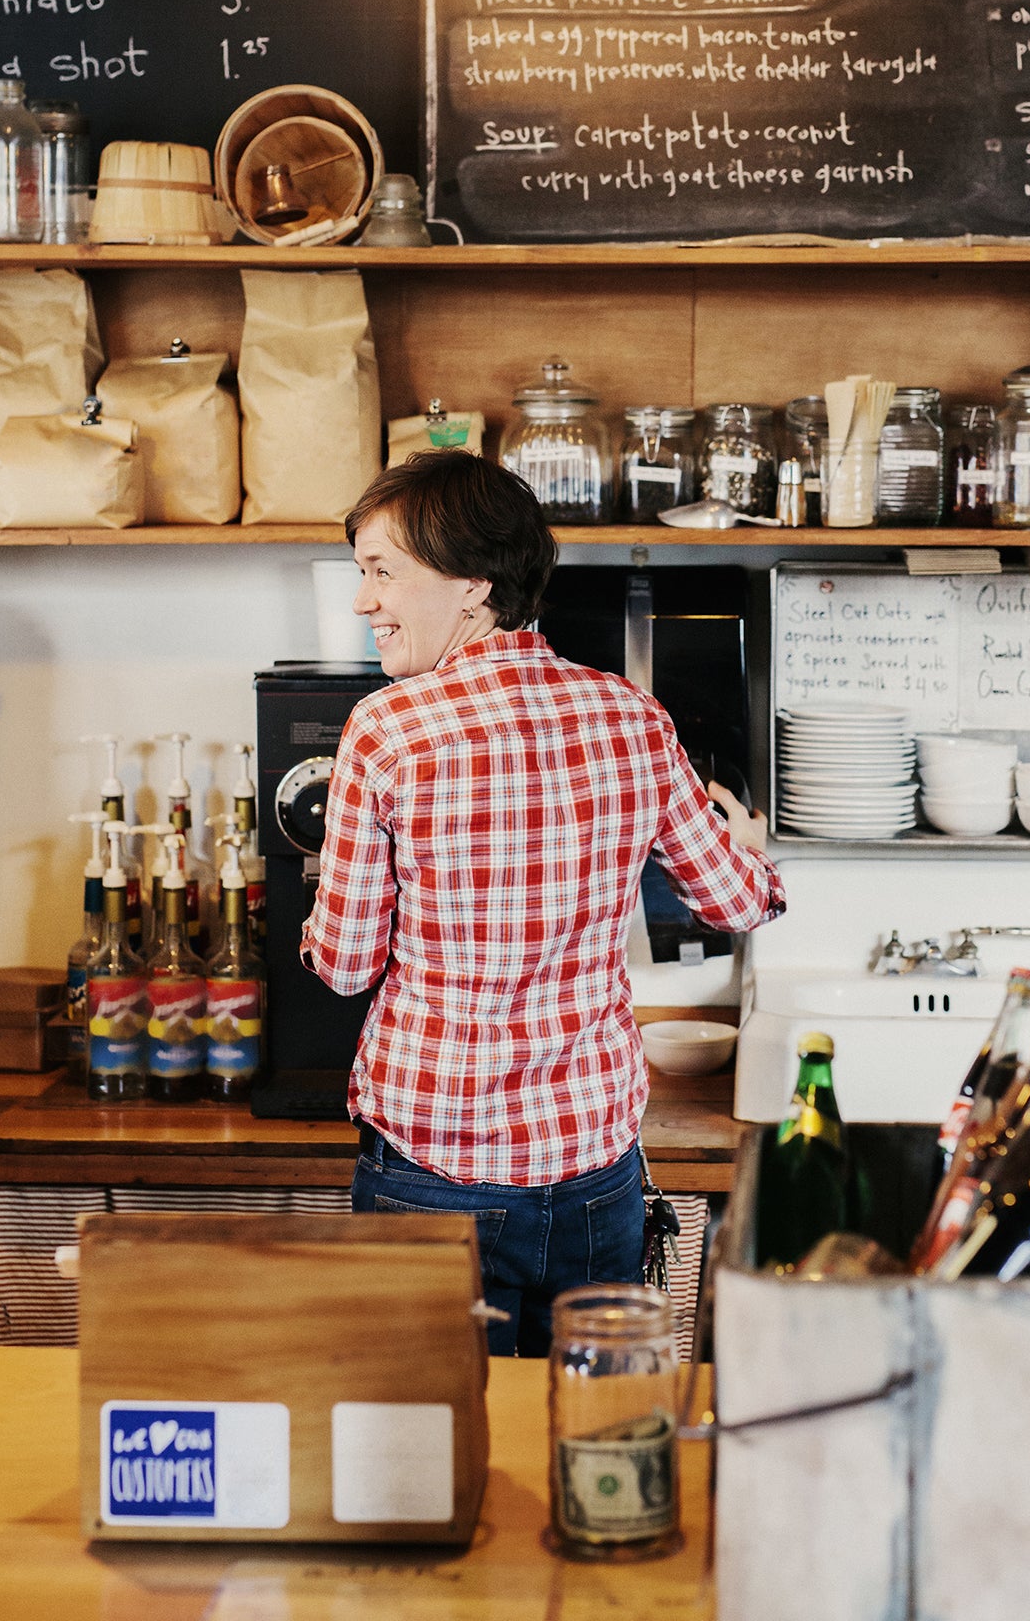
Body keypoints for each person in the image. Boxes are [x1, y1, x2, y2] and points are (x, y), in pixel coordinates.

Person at [302, 450, 785, 1355]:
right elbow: (737, 902)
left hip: (436, 1168)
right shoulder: (631, 716)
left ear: (472, 586)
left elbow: (342, 965)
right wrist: (749, 844)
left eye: (381, 573)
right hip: (595, 1174)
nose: (364, 601)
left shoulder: (388, 728)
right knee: (587, 1427)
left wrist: (324, 900)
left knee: (433, 1443)